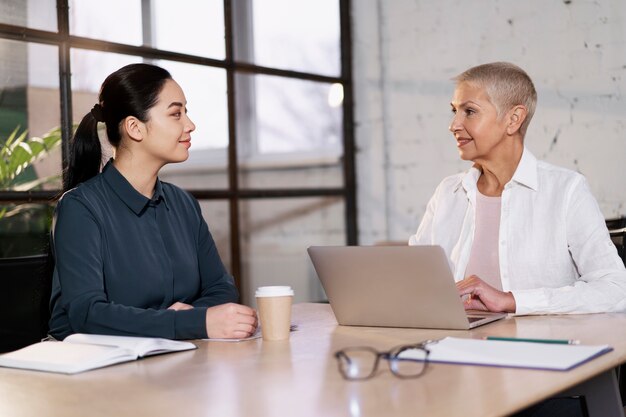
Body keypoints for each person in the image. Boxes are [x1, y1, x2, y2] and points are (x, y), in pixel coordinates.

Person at [49, 63, 257, 340]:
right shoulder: (80, 208)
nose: (190, 125)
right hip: (96, 370)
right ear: (135, 127)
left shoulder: (183, 203)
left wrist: (188, 318)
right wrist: (190, 322)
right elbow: (87, 314)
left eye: (186, 112)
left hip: (176, 361)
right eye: (176, 114)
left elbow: (221, 288)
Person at [409, 62, 626, 315]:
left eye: (469, 111)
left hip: (537, 349)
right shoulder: (448, 193)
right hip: (455, 345)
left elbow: (616, 288)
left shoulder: (566, 190)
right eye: (454, 110)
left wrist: (512, 301)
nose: (453, 124)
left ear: (513, 119)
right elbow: (416, 282)